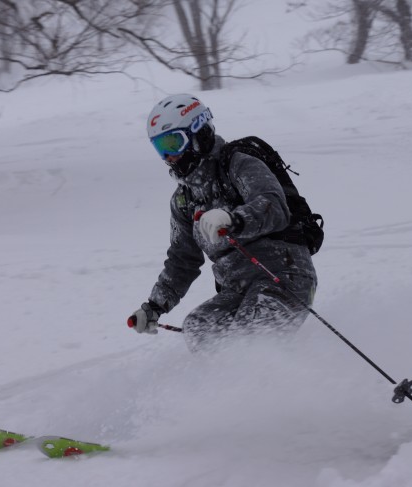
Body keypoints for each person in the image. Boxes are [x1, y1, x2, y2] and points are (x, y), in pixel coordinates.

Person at [128, 93, 317, 353]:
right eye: (161, 148)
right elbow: (182, 259)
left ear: (199, 133)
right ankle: (220, 389)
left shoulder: (238, 165)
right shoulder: (184, 200)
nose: (168, 157)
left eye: (173, 143)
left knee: (250, 340)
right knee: (199, 326)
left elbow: (273, 205)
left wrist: (235, 219)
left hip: (283, 276)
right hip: (236, 290)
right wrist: (155, 306)